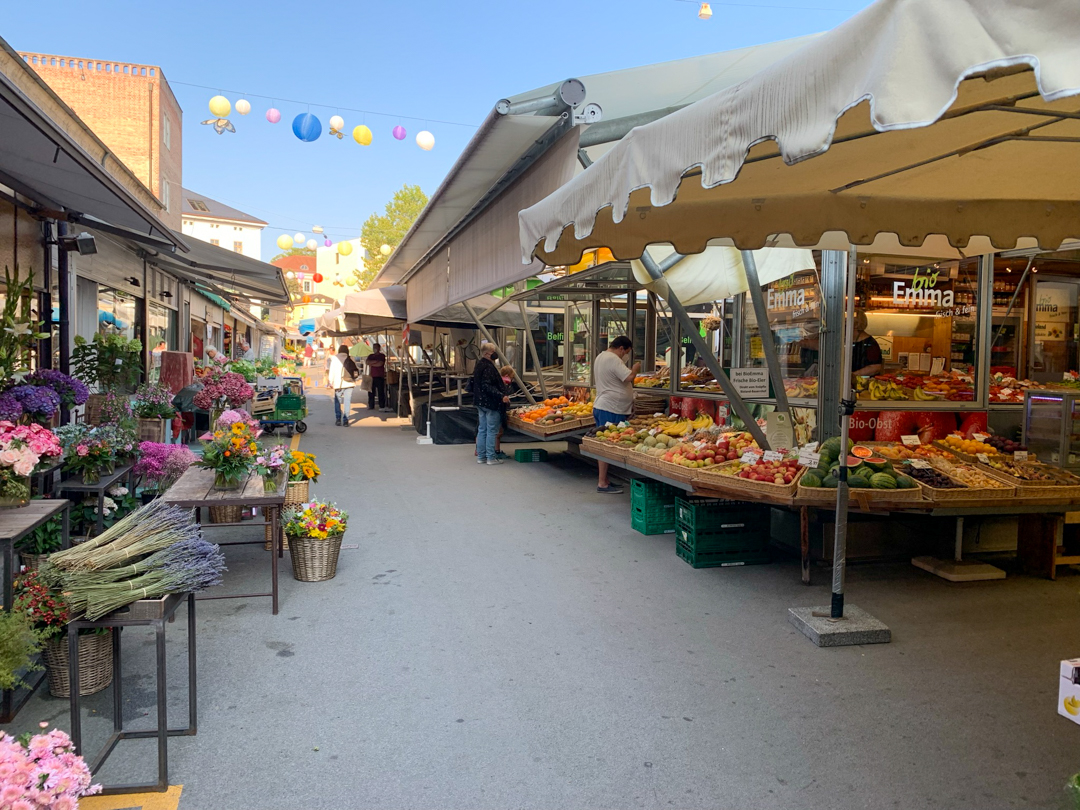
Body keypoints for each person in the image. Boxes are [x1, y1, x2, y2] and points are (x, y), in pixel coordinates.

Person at [593, 335, 640, 494]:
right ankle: (602, 483)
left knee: (605, 444)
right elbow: (629, 377)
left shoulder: (601, 356)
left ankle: (604, 479)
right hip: (611, 408)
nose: (625, 355)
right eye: (626, 352)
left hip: (604, 405)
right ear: (621, 348)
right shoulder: (613, 359)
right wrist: (635, 368)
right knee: (606, 445)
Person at [472, 342, 509, 465]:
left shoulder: (479, 365)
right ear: (488, 353)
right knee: (491, 430)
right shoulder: (488, 367)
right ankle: (491, 457)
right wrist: (501, 395)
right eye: (494, 352)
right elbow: (487, 385)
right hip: (490, 403)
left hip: (479, 401)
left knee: (482, 429)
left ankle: (481, 456)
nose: (495, 354)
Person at [328, 345, 360, 426]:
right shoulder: (350, 358)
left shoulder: (335, 358)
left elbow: (332, 371)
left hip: (338, 383)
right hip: (349, 383)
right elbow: (354, 370)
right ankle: (346, 420)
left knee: (337, 401)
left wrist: (330, 382)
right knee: (347, 401)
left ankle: (338, 419)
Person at [851, 310, 883, 376]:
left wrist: (853, 375)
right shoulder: (847, 342)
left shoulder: (870, 344)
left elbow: (875, 367)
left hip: (863, 384)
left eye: (846, 323)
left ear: (856, 325)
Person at [494, 365, 515, 460]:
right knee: (498, 432)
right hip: (498, 409)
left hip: (497, 408)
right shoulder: (502, 385)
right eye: (511, 377)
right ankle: (496, 451)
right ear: (507, 376)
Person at [367, 342, 389, 412]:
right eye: (374, 347)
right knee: (371, 392)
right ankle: (371, 405)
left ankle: (381, 405)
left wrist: (372, 363)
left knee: (381, 392)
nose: (375, 349)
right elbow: (367, 362)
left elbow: (380, 364)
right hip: (372, 376)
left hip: (380, 376)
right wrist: (375, 362)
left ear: (379, 348)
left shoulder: (382, 356)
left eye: (376, 347)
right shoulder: (370, 355)